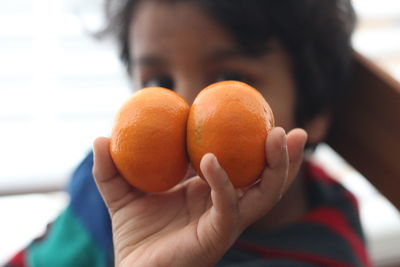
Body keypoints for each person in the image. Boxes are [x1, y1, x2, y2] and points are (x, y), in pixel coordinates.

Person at [4, 0, 372, 266]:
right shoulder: (110, 191)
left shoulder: (323, 253)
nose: (187, 109)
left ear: (315, 110)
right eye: (160, 81)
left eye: (230, 82)